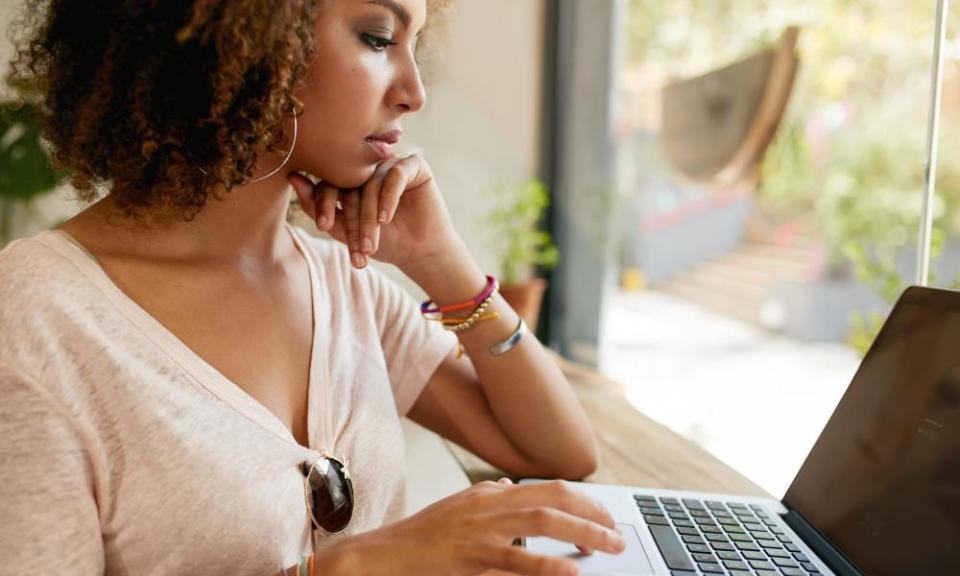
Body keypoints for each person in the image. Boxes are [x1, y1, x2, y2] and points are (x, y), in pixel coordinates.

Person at [0, 0, 627, 574]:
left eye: (416, 44)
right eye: (379, 38)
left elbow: (557, 451)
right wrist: (347, 568)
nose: (415, 93)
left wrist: (444, 264)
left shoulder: (344, 285)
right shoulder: (36, 317)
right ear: (248, 39)